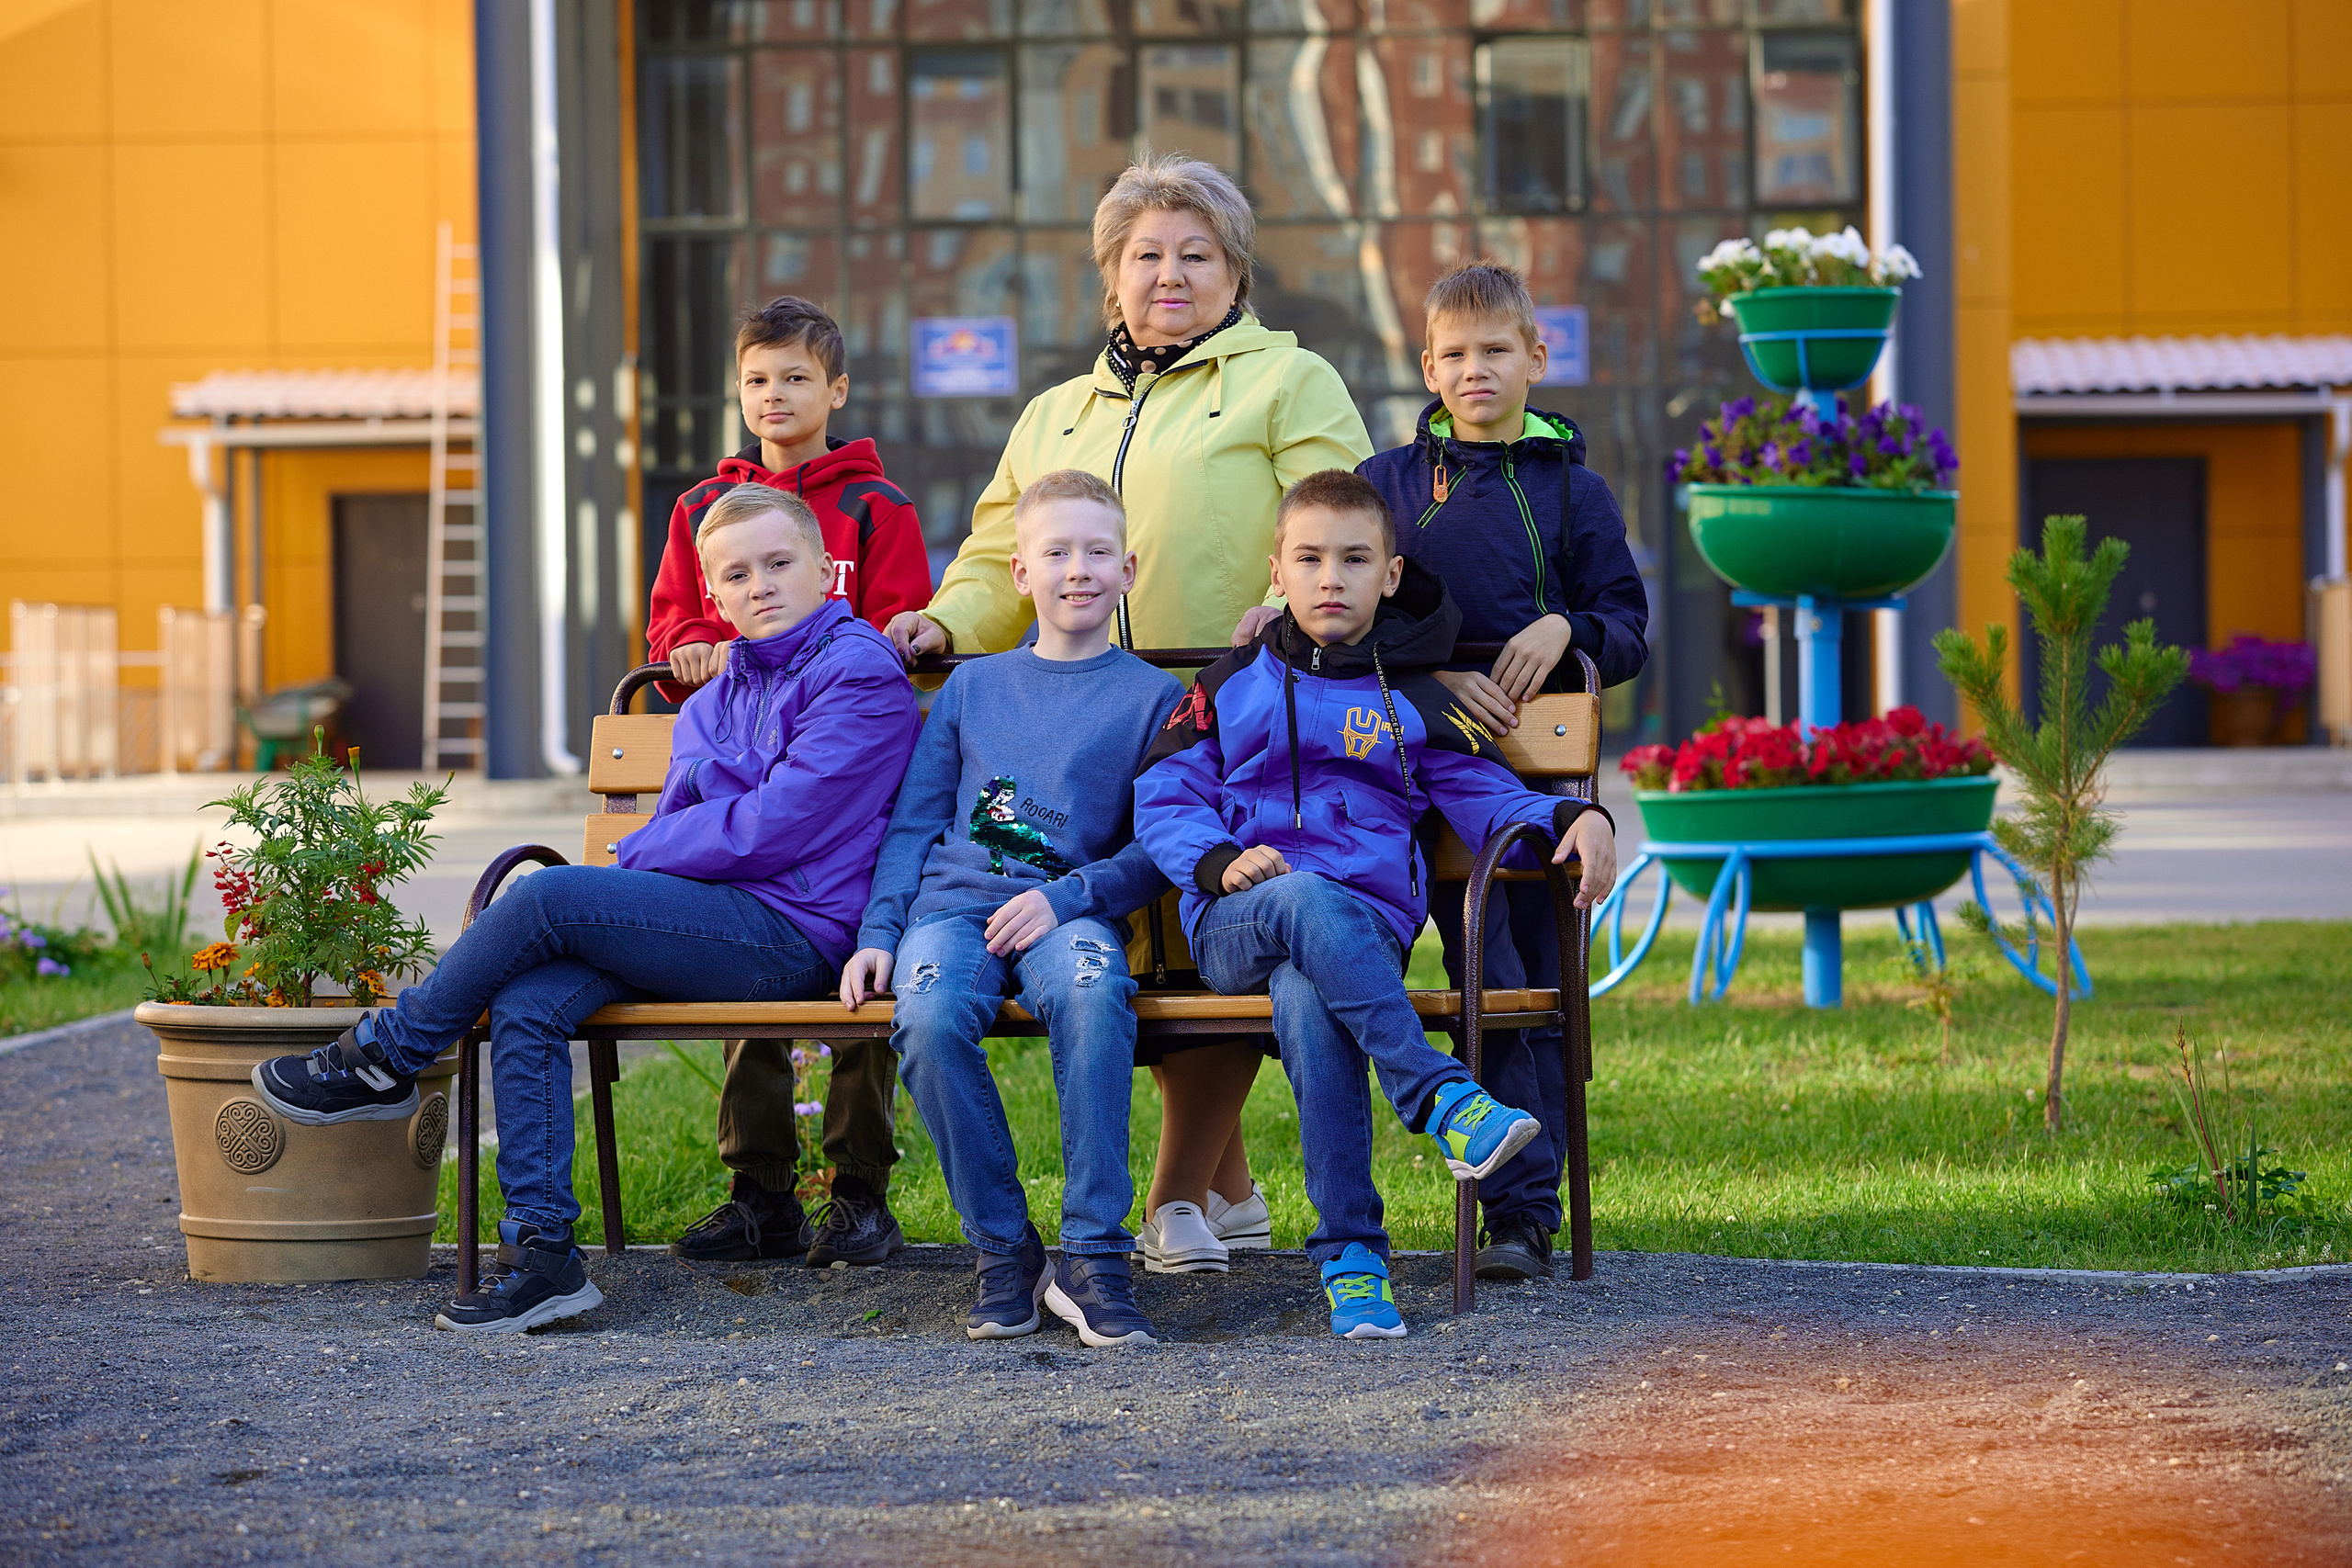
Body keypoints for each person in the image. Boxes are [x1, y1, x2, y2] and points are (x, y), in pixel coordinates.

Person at [251, 486, 921, 1333]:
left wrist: (647, 852)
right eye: (738, 574)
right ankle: (544, 1255)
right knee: (531, 1000)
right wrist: (670, 848)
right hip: (697, 918)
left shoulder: (859, 672)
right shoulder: (712, 700)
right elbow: (694, 823)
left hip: (796, 933)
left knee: (550, 893)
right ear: (711, 595)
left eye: (781, 564)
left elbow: (771, 829)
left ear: (827, 570)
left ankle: (390, 1050)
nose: (762, 586)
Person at [882, 155, 1373, 1276]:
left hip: (1229, 704)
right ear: (1110, 277)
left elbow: (1340, 520)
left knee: (1199, 949)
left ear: (1235, 273)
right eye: (1146, 255)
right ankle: (1225, 1191)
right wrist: (946, 628)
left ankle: (1170, 1198)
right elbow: (995, 559)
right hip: (1079, 715)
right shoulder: (1056, 409)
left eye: (1195, 255)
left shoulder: (1287, 383)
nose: (1169, 275)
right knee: (1133, 953)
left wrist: (1281, 603)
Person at [1131, 470, 1618, 1339]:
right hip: (1236, 918)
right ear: (1275, 570)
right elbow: (1165, 791)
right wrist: (1213, 862)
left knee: (1311, 996)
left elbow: (1482, 792)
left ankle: (1353, 1258)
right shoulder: (1230, 680)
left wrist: (1576, 814)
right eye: (1310, 558)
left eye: (1355, 559)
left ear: (1390, 575)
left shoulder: (1409, 701)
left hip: (1358, 941)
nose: (1331, 578)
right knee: (1304, 894)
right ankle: (1439, 1100)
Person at [1352, 262, 1650, 1281]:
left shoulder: (1573, 490)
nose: (1475, 371)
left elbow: (1629, 628)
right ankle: (1350, 1209)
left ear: (1536, 355)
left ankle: (1522, 1215)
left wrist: (1568, 624)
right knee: (1397, 972)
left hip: (1530, 782)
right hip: (1399, 766)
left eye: (1495, 351)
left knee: (1514, 978)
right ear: (1428, 366)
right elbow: (1347, 615)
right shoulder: (1387, 484)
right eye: (1454, 355)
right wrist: (1431, 683)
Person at [840, 470, 1182, 1348]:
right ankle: (1004, 1248)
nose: (1079, 568)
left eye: (1097, 551)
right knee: (925, 1012)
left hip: (1069, 911)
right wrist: (879, 933)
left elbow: (1161, 847)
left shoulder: (1150, 699)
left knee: (1094, 993)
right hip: (951, 911)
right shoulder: (972, 689)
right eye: (1057, 552)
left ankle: (1094, 1253)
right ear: (1021, 573)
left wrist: (1066, 896)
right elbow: (915, 823)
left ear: (1128, 569)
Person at [644, 296, 933, 1270]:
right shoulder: (700, 513)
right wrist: (692, 651)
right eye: (757, 379)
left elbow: (901, 625)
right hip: (743, 769)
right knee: (737, 945)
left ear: (836, 391)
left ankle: (857, 1191)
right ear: (738, 392)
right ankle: (759, 1189)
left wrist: (904, 635)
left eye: (796, 378)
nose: (775, 395)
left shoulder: (874, 507)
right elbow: (676, 623)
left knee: (859, 975)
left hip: (845, 786)